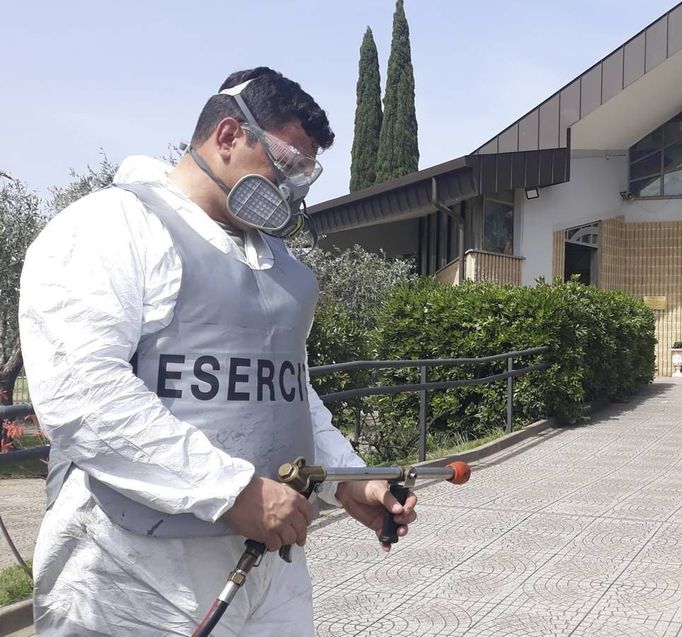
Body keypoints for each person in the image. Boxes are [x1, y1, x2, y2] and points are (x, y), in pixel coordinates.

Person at [19, 67, 417, 636]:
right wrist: (231, 490)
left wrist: (351, 480)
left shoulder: (276, 264)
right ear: (228, 136)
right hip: (130, 571)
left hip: (267, 565)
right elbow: (84, 395)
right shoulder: (108, 228)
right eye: (283, 164)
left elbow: (289, 392)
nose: (291, 189)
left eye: (304, 173)